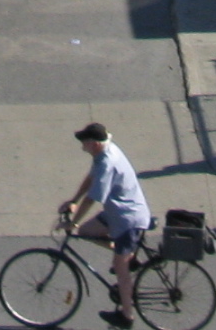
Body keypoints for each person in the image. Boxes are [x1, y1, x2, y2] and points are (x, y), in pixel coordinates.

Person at [58, 122, 152, 328]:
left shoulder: (107, 162)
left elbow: (93, 198)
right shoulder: (103, 154)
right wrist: (73, 200)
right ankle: (130, 257)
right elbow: (90, 179)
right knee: (86, 231)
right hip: (117, 212)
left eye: (84, 141)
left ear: (94, 144)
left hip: (128, 218)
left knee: (120, 267)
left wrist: (72, 223)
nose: (81, 144)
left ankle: (127, 317)